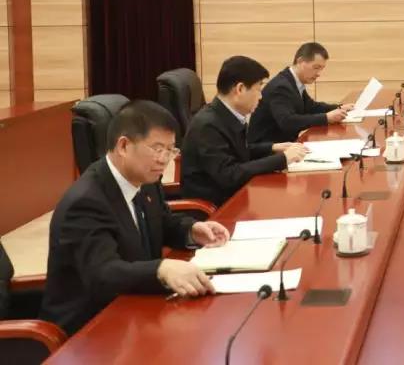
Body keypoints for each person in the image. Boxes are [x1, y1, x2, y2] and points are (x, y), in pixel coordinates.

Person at [41, 101, 231, 336]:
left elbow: (162, 222)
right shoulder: (86, 202)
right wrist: (160, 269)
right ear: (123, 146)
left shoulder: (145, 180)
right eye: (157, 149)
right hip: (89, 330)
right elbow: (103, 273)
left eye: (171, 150)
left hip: (135, 308)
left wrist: (192, 231)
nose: (164, 160)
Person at [181, 56, 307, 206]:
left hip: (237, 196)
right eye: (258, 89)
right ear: (240, 89)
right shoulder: (207, 126)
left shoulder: (225, 114)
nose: (261, 97)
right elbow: (230, 174)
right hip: (217, 208)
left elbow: (239, 151)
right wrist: (283, 159)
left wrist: (273, 148)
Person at [248, 42, 353, 144]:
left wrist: (339, 107)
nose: (319, 74)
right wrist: (326, 118)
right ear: (300, 61)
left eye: (321, 69)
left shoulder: (294, 82)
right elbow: (287, 122)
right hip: (267, 149)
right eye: (316, 68)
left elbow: (311, 107)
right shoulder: (281, 87)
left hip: (286, 145)